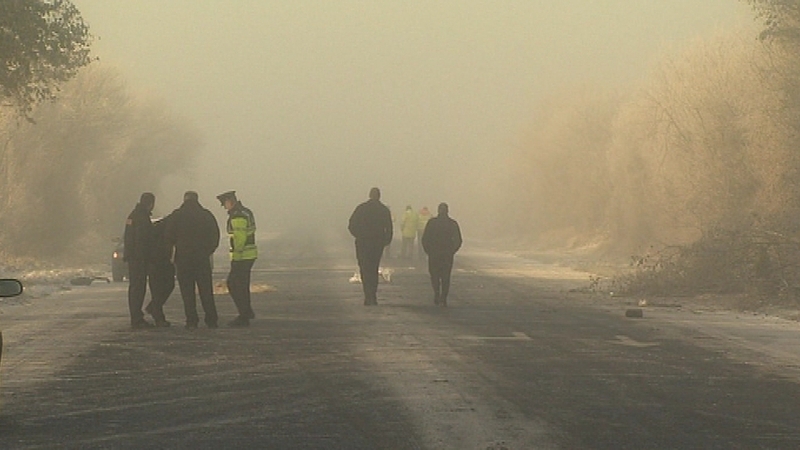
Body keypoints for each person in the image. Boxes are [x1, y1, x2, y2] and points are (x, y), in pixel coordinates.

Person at [164, 191, 220, 329]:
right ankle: (211, 319)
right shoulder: (206, 215)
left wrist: (171, 255)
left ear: (184, 200)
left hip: (183, 259)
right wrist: (207, 251)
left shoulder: (177, 216)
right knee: (206, 290)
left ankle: (191, 320)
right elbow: (215, 236)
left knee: (187, 292)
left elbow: (168, 237)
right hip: (202, 258)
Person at [216, 190, 257, 327]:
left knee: (233, 284)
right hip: (249, 255)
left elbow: (240, 237)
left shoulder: (237, 216)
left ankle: (243, 315)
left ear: (230, 201)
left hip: (242, 256)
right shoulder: (246, 212)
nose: (224, 207)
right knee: (242, 284)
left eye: (224, 204)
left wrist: (237, 257)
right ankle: (247, 311)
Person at [348, 187, 393, 305]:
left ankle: (367, 294)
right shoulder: (384, 210)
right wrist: (385, 241)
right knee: (373, 268)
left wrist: (359, 235)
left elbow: (351, 225)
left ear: (369, 195)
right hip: (377, 244)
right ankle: (372, 294)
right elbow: (389, 228)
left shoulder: (361, 209)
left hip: (363, 242)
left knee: (364, 267)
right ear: (379, 196)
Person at [124, 192, 156, 329]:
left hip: (133, 258)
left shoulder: (133, 215)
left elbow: (128, 237)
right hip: (139, 259)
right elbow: (143, 239)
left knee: (134, 288)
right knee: (138, 288)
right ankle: (137, 318)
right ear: (150, 203)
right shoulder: (142, 217)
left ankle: (135, 316)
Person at [421, 202, 462, 307]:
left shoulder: (432, 223)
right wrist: (452, 250)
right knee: (446, 276)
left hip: (434, 254)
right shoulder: (452, 224)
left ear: (438, 210)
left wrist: (428, 250)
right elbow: (458, 240)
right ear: (447, 211)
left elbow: (425, 238)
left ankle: (436, 293)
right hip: (447, 255)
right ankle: (443, 297)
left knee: (434, 275)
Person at [144, 215, 175, 327]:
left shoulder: (159, 227)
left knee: (159, 289)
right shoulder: (166, 230)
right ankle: (157, 314)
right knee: (164, 287)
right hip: (160, 261)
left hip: (156, 262)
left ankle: (155, 310)